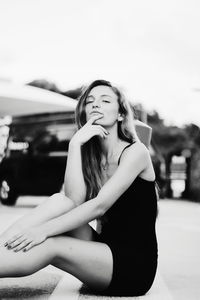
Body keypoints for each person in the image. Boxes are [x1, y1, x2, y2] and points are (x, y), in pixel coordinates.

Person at [0, 80, 158, 297]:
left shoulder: (135, 152)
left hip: (131, 265)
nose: (95, 105)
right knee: (59, 200)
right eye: (90, 101)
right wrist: (75, 144)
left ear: (121, 114)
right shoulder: (89, 154)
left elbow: (99, 207)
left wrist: (42, 230)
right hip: (100, 250)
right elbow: (71, 201)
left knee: (51, 245)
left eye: (105, 100)